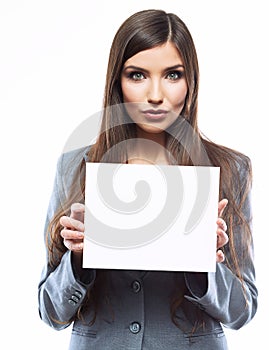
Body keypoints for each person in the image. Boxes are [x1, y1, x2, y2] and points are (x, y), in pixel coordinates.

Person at [38, 9, 258, 349]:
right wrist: (78, 259)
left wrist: (204, 264)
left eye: (172, 75)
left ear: (191, 82)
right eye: (137, 75)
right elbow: (50, 311)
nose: (155, 94)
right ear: (117, 82)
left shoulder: (230, 169)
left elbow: (242, 312)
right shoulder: (75, 166)